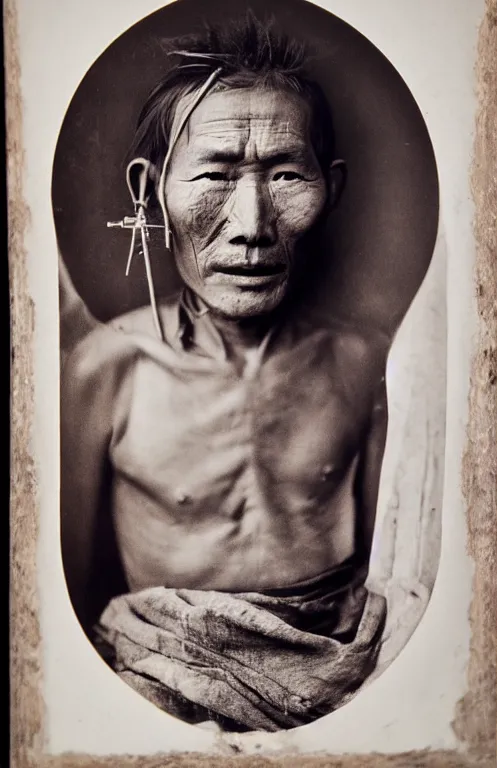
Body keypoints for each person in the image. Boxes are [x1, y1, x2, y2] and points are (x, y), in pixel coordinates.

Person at [60, 14, 390, 732]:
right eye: (215, 175)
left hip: (337, 688)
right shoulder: (103, 372)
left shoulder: (364, 365)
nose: (252, 224)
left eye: (285, 176)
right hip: (162, 684)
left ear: (331, 190)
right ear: (149, 189)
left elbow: (386, 576)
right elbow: (61, 608)